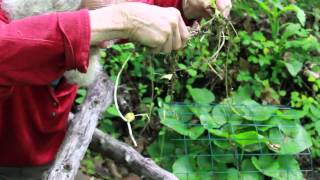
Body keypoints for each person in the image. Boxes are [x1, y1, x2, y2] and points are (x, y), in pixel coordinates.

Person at [0, 0, 231, 179]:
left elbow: (131, 9)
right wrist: (117, 21)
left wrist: (184, 6)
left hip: (46, 151)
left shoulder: (73, 7)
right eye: (98, 20)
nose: (107, 42)